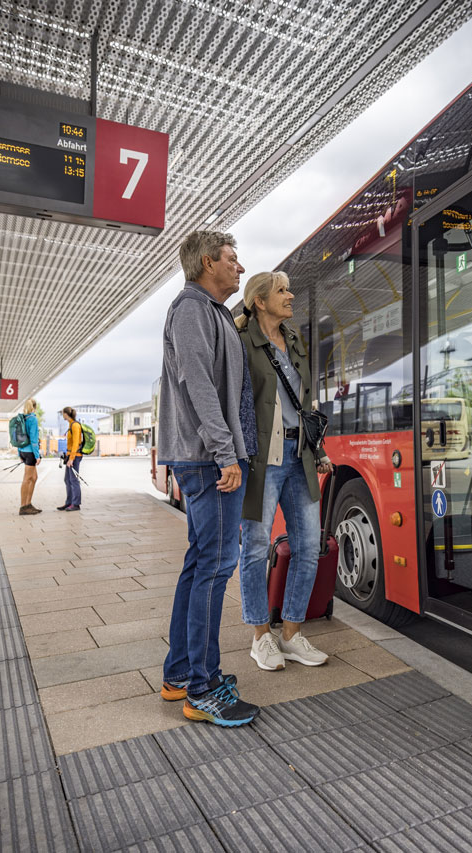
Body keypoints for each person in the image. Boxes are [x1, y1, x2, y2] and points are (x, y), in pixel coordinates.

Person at [156, 230, 261, 727]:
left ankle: (180, 675)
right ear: (206, 262)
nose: (239, 268)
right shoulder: (192, 309)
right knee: (216, 568)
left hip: (205, 457)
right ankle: (203, 687)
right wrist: (227, 455)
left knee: (201, 565)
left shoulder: (213, 312)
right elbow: (198, 385)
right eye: (232, 260)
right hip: (208, 460)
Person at [235, 271, 332, 671]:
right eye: (282, 291)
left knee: (309, 547)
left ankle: (291, 634)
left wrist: (319, 448)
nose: (291, 296)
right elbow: (237, 403)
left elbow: (304, 403)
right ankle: (261, 637)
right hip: (263, 460)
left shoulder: (293, 340)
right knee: (256, 550)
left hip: (300, 455)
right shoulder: (242, 343)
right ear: (259, 300)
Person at [18, 397, 42, 515]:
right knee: (27, 479)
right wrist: (37, 455)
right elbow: (34, 439)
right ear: (34, 407)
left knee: (34, 478)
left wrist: (19, 453)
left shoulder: (22, 418)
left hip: (23, 450)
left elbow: (19, 437)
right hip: (30, 452)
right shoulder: (32, 419)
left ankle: (28, 504)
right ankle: (23, 506)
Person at [59, 407, 83, 511]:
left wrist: (71, 458)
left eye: (62, 413)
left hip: (75, 456)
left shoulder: (75, 425)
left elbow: (76, 444)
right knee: (67, 479)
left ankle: (76, 504)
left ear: (66, 414)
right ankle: (69, 502)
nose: (62, 415)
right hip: (70, 455)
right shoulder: (71, 425)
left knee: (73, 480)